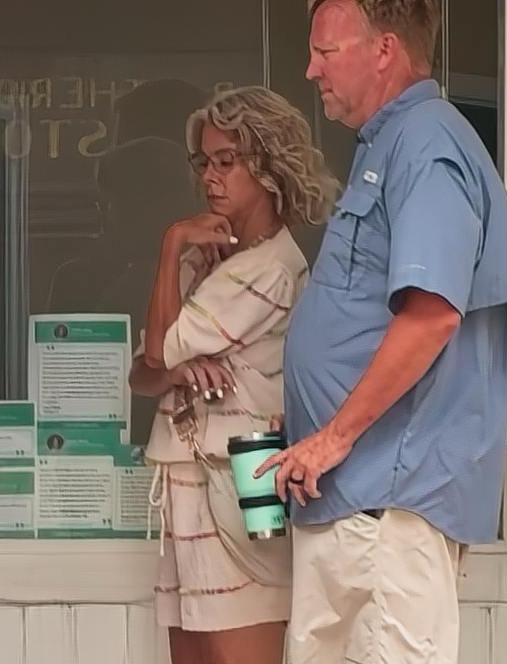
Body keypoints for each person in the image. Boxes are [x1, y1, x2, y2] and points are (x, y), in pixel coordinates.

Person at [257, 0, 507, 663]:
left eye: (325, 52)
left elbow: (432, 313)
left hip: (385, 504)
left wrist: (333, 436)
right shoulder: (394, 143)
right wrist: (312, 423)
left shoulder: (427, 144)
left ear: (384, 49)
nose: (311, 70)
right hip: (356, 500)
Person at [128, 86, 338, 664]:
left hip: (236, 484)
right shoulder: (209, 257)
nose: (210, 177)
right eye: (204, 162)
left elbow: (158, 349)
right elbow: (143, 374)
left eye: (227, 161)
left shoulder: (270, 268)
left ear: (269, 167)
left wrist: (171, 243)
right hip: (189, 481)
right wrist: (175, 370)